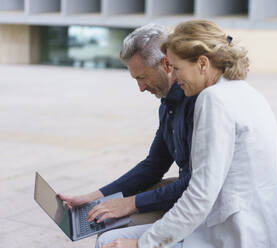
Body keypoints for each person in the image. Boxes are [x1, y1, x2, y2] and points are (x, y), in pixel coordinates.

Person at [96, 20, 277, 248]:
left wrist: (141, 244)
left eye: (178, 68)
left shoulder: (213, 99)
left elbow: (200, 196)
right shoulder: (245, 91)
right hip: (264, 228)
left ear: (203, 63)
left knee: (109, 242)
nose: (175, 77)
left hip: (237, 234)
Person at [58, 23, 197, 235]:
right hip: (185, 196)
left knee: (111, 232)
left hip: (199, 207)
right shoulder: (167, 105)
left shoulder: (195, 103)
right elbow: (154, 165)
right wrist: (94, 197)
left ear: (166, 64)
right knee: (107, 221)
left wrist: (129, 204)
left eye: (142, 77)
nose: (141, 88)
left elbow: (196, 183)